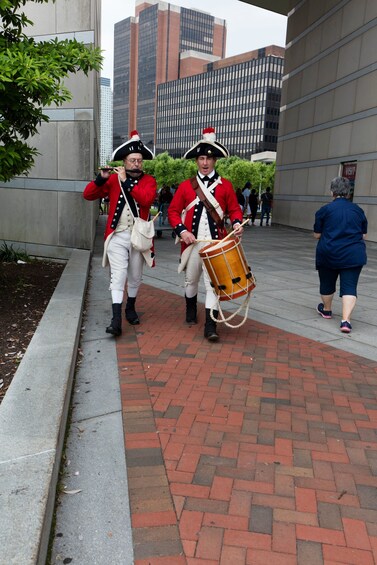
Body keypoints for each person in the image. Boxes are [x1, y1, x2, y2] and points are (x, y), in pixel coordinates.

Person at [168, 126, 244, 342]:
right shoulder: (185, 187)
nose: (205, 162)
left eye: (209, 159)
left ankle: (211, 326)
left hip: (215, 244)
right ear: (196, 161)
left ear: (215, 161)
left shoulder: (226, 186)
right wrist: (182, 232)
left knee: (213, 284)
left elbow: (235, 210)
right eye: (201, 158)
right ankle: (190, 312)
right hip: (192, 245)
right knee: (190, 282)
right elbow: (173, 211)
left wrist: (237, 223)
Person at [83, 131, 157, 337]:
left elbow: (145, 200)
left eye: (139, 161)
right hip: (117, 235)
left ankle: (130, 307)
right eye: (132, 160)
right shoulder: (114, 179)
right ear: (124, 161)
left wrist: (126, 182)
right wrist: (101, 179)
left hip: (138, 236)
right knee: (118, 276)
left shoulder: (149, 181)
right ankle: (116, 320)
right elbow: (88, 195)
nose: (136, 164)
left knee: (135, 276)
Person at [314, 176, 367, 334]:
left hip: (329, 252)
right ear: (349, 193)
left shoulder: (324, 210)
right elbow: (363, 235)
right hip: (353, 254)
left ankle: (327, 310)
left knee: (327, 283)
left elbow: (317, 234)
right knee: (350, 286)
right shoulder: (358, 210)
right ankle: (346, 321)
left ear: (332, 192)